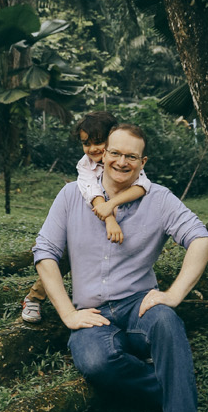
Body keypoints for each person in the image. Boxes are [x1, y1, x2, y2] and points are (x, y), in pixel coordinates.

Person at [32, 123, 208, 412]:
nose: (121, 161)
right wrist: (67, 312)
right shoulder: (70, 196)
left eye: (131, 156)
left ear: (142, 161)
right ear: (102, 155)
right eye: (115, 152)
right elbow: (45, 254)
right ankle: (174, 392)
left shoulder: (159, 198)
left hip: (138, 305)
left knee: (166, 321)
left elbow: (201, 241)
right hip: (91, 312)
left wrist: (174, 294)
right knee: (96, 362)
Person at [21, 111, 151, 323]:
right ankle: (34, 297)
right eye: (86, 143)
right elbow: (92, 193)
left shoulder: (125, 159)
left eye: (98, 142)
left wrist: (113, 205)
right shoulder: (85, 165)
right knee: (64, 261)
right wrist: (109, 217)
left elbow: (142, 186)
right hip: (87, 220)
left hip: (118, 221)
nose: (92, 149)